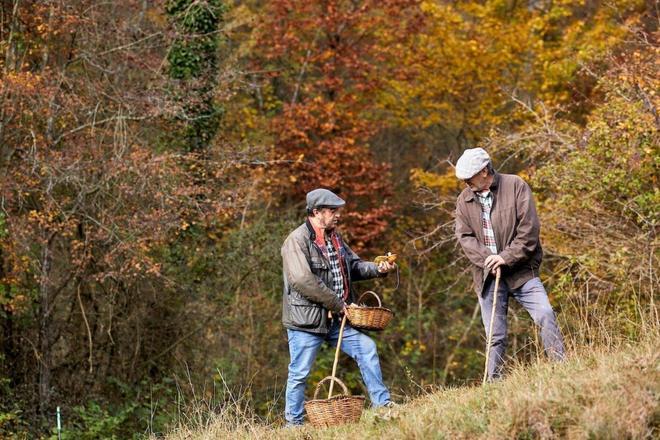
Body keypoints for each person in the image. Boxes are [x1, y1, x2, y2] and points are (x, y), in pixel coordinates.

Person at [281, 188, 397, 426]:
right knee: (299, 373)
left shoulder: (335, 238)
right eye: (332, 210)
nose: (337, 215)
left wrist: (378, 269)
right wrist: (337, 302)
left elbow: (353, 267)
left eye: (337, 210)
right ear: (316, 212)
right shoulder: (296, 241)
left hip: (336, 321)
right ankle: (293, 424)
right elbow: (302, 280)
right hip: (307, 322)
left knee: (367, 349)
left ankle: (383, 405)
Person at [454, 148, 565, 381]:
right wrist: (488, 260)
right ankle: (494, 384)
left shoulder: (515, 185)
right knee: (495, 335)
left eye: (469, 177)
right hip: (489, 276)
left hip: (522, 272)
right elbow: (465, 238)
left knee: (545, 314)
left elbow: (529, 231)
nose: (466, 182)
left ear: (484, 171)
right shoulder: (464, 201)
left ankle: (561, 370)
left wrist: (505, 257)